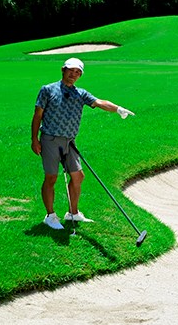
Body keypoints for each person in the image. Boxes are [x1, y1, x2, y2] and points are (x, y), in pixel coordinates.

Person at [31, 57, 134, 230]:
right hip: (50, 139)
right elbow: (37, 115)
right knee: (51, 177)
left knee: (78, 176)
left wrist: (118, 109)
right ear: (63, 69)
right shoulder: (48, 90)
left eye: (78, 72)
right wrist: (34, 139)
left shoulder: (80, 93)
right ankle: (50, 216)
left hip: (70, 141)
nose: (74, 74)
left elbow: (100, 102)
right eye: (71, 70)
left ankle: (73, 213)